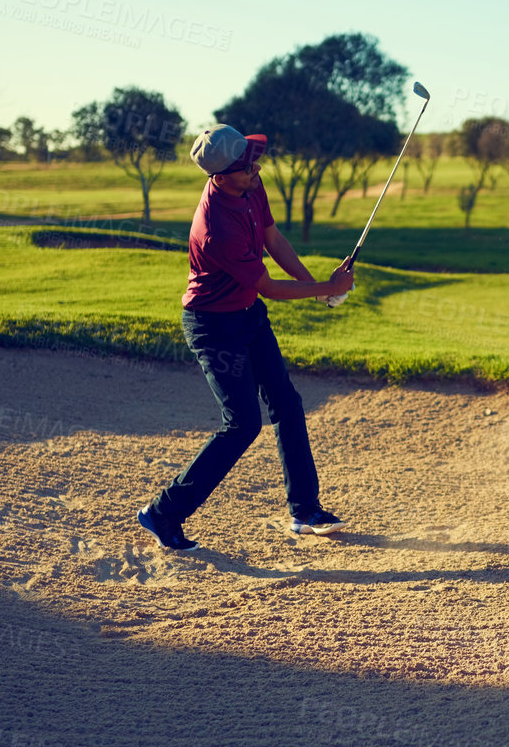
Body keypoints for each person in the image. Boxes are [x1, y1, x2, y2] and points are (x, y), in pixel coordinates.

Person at [137, 124, 355, 551]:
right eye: (244, 166)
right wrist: (327, 288)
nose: (254, 169)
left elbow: (273, 239)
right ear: (218, 176)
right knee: (242, 423)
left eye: (252, 159)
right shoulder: (216, 225)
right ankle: (163, 512)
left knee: (286, 404)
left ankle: (305, 511)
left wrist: (316, 285)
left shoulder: (251, 186)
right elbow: (268, 285)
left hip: (248, 315)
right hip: (213, 325)